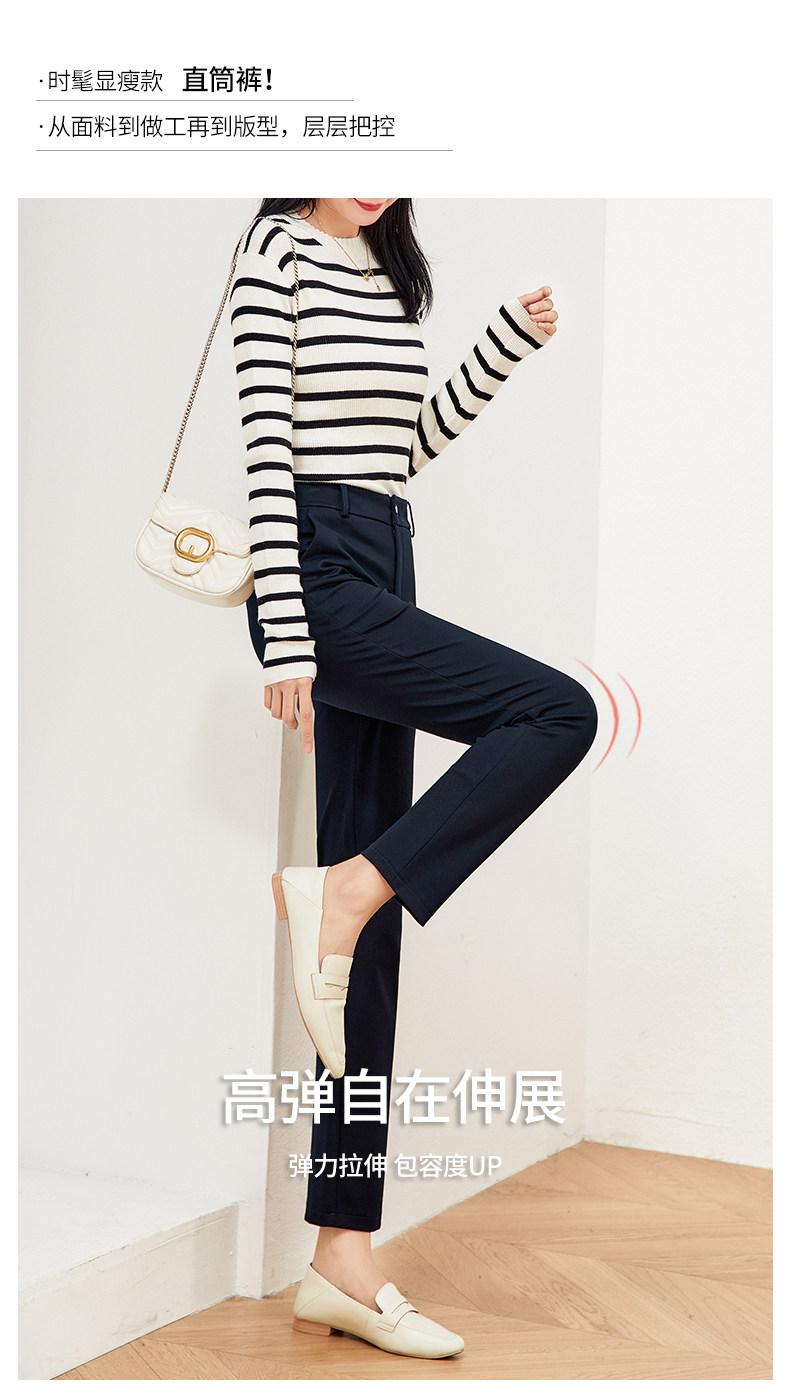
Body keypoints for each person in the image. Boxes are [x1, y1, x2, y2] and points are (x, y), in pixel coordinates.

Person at [230, 198, 598, 1359]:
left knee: (367, 938)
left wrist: (501, 345)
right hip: (317, 576)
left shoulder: (388, 266)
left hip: (385, 556)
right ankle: (344, 887)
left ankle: (339, 1254)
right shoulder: (276, 248)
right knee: (556, 708)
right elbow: (267, 448)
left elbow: (399, 448)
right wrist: (289, 638)